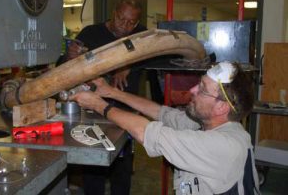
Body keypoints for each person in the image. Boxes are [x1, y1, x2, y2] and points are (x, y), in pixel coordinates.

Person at [70, 61, 261, 195]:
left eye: (202, 89)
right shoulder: (209, 125)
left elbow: (146, 132)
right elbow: (161, 113)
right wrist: (111, 92)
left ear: (222, 107)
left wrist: (98, 105)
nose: (193, 90)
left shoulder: (222, 146)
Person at [64, 0, 146, 195]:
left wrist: (129, 65)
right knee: (93, 170)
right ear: (113, 13)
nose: (125, 27)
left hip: (123, 113)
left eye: (131, 23)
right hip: (92, 113)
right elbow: (65, 67)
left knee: (122, 169)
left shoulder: (142, 36)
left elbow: (153, 59)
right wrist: (70, 56)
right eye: (121, 19)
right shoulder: (91, 33)